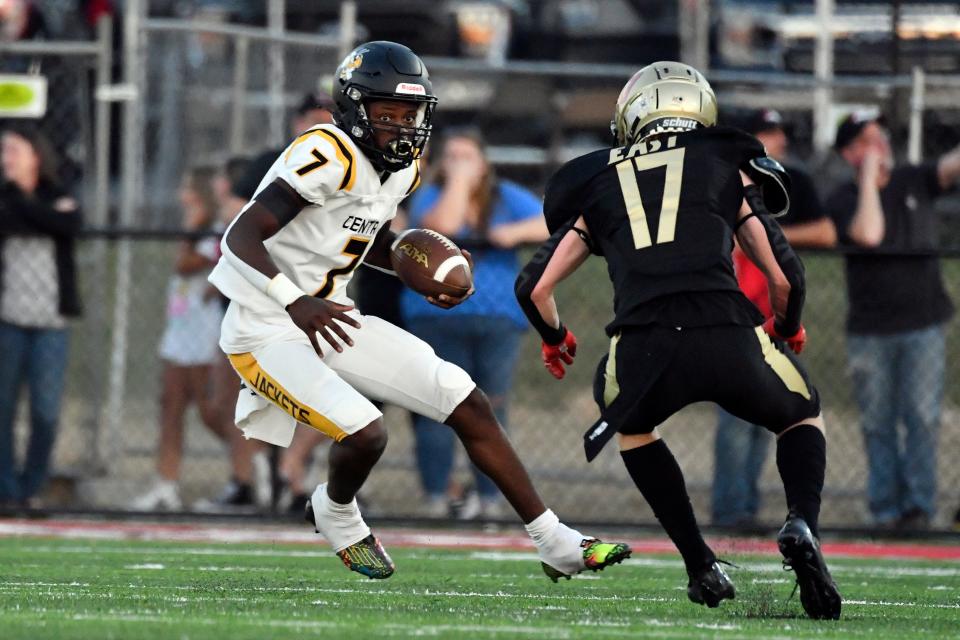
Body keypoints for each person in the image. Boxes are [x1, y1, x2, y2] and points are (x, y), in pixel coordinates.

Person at [207, 40, 631, 580]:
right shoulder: (325, 152)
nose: (403, 126)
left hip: (329, 315)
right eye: (387, 113)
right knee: (367, 432)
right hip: (265, 328)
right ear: (355, 110)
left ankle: (555, 541)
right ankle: (336, 512)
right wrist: (297, 302)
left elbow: (362, 239)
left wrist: (417, 268)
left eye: (411, 114)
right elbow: (239, 236)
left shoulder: (399, 171)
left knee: (466, 399)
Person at [515, 61, 841, 619]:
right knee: (801, 415)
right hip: (725, 329)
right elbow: (786, 276)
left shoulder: (595, 178)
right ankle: (801, 522)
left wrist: (555, 336)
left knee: (635, 429)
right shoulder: (722, 160)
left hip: (644, 344)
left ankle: (699, 564)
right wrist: (787, 328)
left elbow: (534, 287)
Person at [401, 128, 548, 519]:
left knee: (491, 410)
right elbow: (441, 228)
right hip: (437, 318)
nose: (460, 164)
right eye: (452, 157)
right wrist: (459, 184)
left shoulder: (506, 197)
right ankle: (437, 497)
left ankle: (490, 500)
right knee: (439, 407)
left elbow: (552, 224)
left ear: (485, 163)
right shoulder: (431, 197)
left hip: (497, 320)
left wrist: (512, 232)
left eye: (468, 157)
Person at [825, 112, 960, 530]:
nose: (879, 143)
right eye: (867, 140)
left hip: (923, 323)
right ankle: (885, 509)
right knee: (878, 422)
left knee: (921, 416)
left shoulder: (914, 179)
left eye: (880, 135)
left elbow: (951, 166)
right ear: (849, 153)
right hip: (870, 330)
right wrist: (868, 180)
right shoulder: (844, 196)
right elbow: (869, 234)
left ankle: (919, 507)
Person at [711, 108, 836, 527]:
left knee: (767, 416)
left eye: (777, 133)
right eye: (765, 134)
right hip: (735, 316)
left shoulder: (785, 181)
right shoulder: (722, 182)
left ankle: (746, 506)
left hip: (773, 317)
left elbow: (824, 233)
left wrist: (766, 236)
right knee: (734, 421)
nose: (775, 141)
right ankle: (730, 508)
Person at [131, 166, 232, 511]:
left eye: (188, 189)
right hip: (180, 325)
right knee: (170, 404)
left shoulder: (215, 231)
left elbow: (186, 264)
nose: (182, 196)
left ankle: (251, 466)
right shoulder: (193, 229)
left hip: (205, 329)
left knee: (209, 409)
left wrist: (190, 229)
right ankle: (165, 483)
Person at [0, 123, 81, 508]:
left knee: (46, 412)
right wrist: (39, 213)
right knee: (3, 408)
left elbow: (67, 224)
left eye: (14, 150)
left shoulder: (58, 193)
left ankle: (31, 488)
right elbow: (28, 221)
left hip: (51, 320)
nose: (6, 159)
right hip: (8, 319)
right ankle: (7, 491)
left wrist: (29, 209)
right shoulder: (6, 198)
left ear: (35, 155)